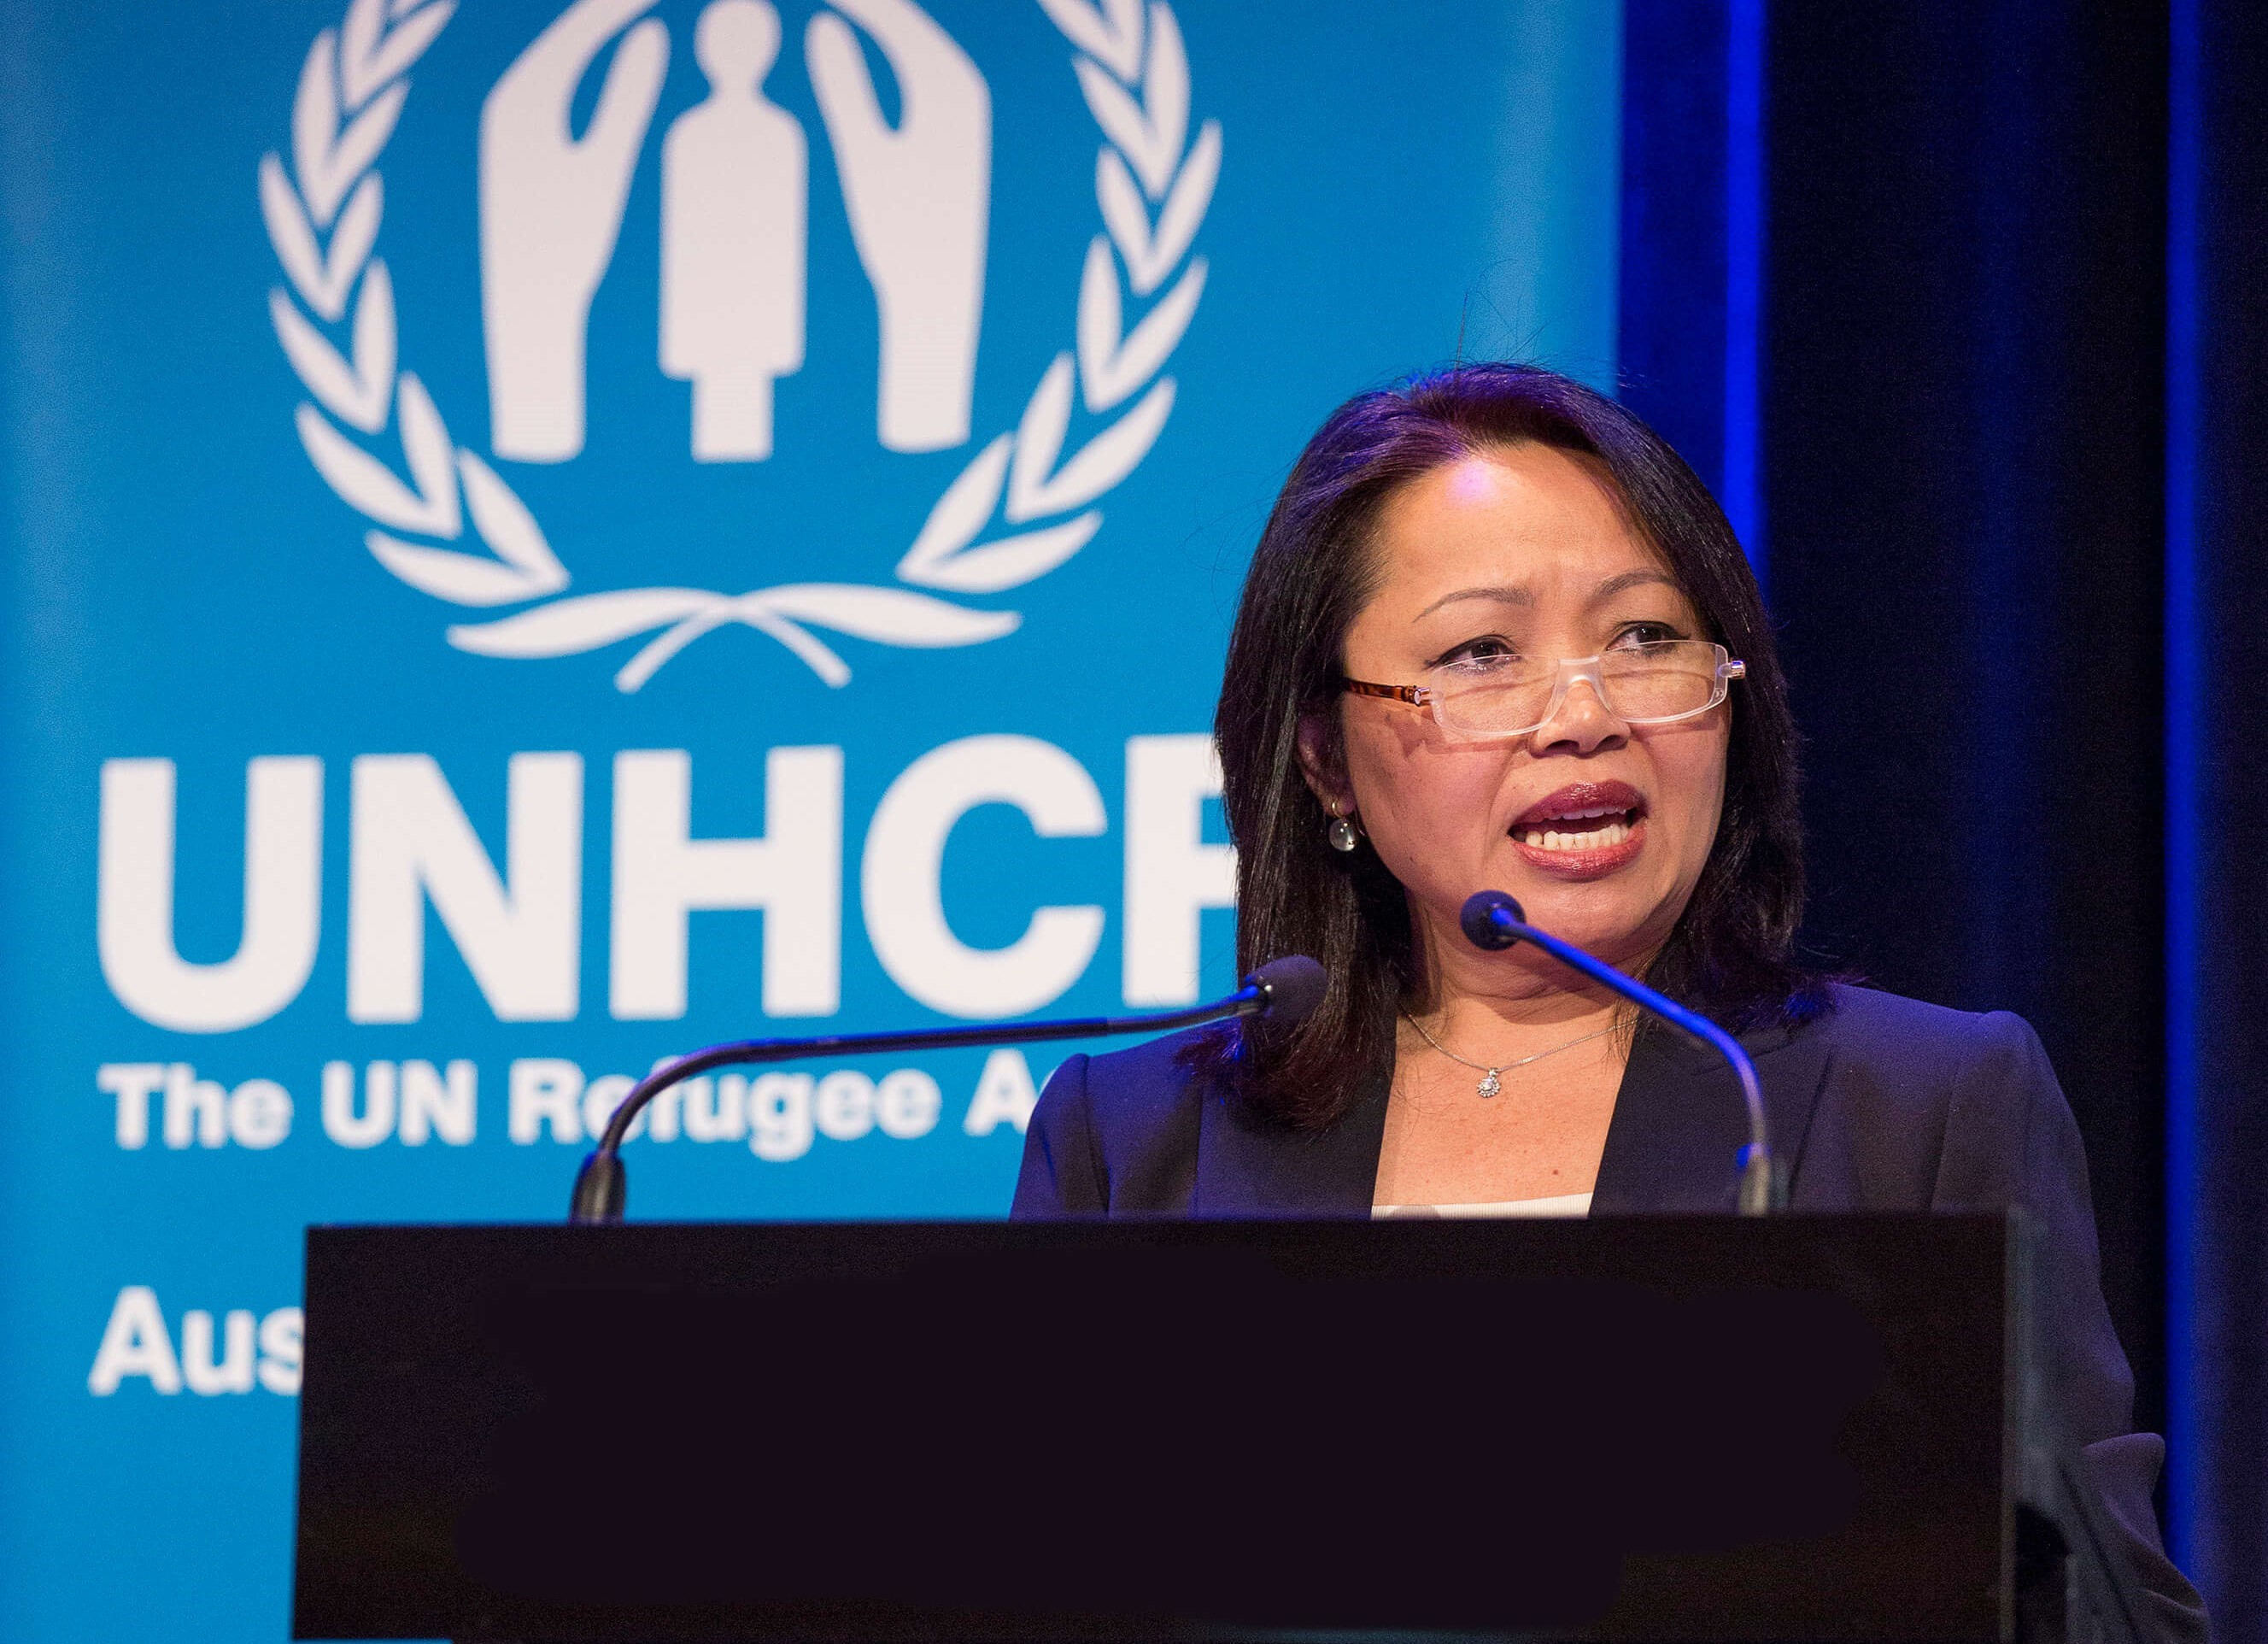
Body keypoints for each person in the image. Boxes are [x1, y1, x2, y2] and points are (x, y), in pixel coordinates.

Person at [1011, 363, 2206, 1639]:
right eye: (1482, 653)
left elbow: (2112, 1618)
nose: (1584, 717)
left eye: (1644, 638)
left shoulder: (1920, 1107)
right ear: (1323, 758)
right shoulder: (1129, 1139)